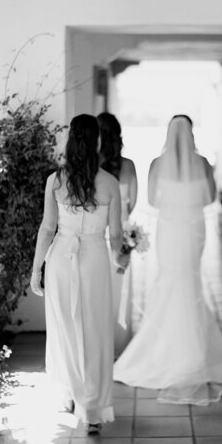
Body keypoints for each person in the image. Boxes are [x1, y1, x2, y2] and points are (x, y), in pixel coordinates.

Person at [113, 115, 222, 404]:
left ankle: (166, 352)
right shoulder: (203, 163)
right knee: (191, 284)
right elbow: (209, 198)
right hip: (193, 230)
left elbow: (153, 200)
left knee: (169, 282)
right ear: (191, 134)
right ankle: (193, 353)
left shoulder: (156, 163)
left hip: (169, 229)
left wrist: (173, 202)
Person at [30, 114, 126, 434]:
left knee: (65, 329)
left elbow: (47, 229)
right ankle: (93, 409)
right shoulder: (110, 184)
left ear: (71, 142)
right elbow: (116, 239)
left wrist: (36, 270)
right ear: (98, 141)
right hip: (95, 261)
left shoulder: (56, 181)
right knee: (95, 332)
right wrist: (122, 260)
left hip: (60, 260)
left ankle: (71, 393)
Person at [97, 111, 138, 356]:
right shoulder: (129, 166)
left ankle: (100, 347)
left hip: (96, 238)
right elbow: (131, 204)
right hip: (122, 237)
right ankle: (121, 348)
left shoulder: (94, 168)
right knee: (120, 295)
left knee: (98, 294)